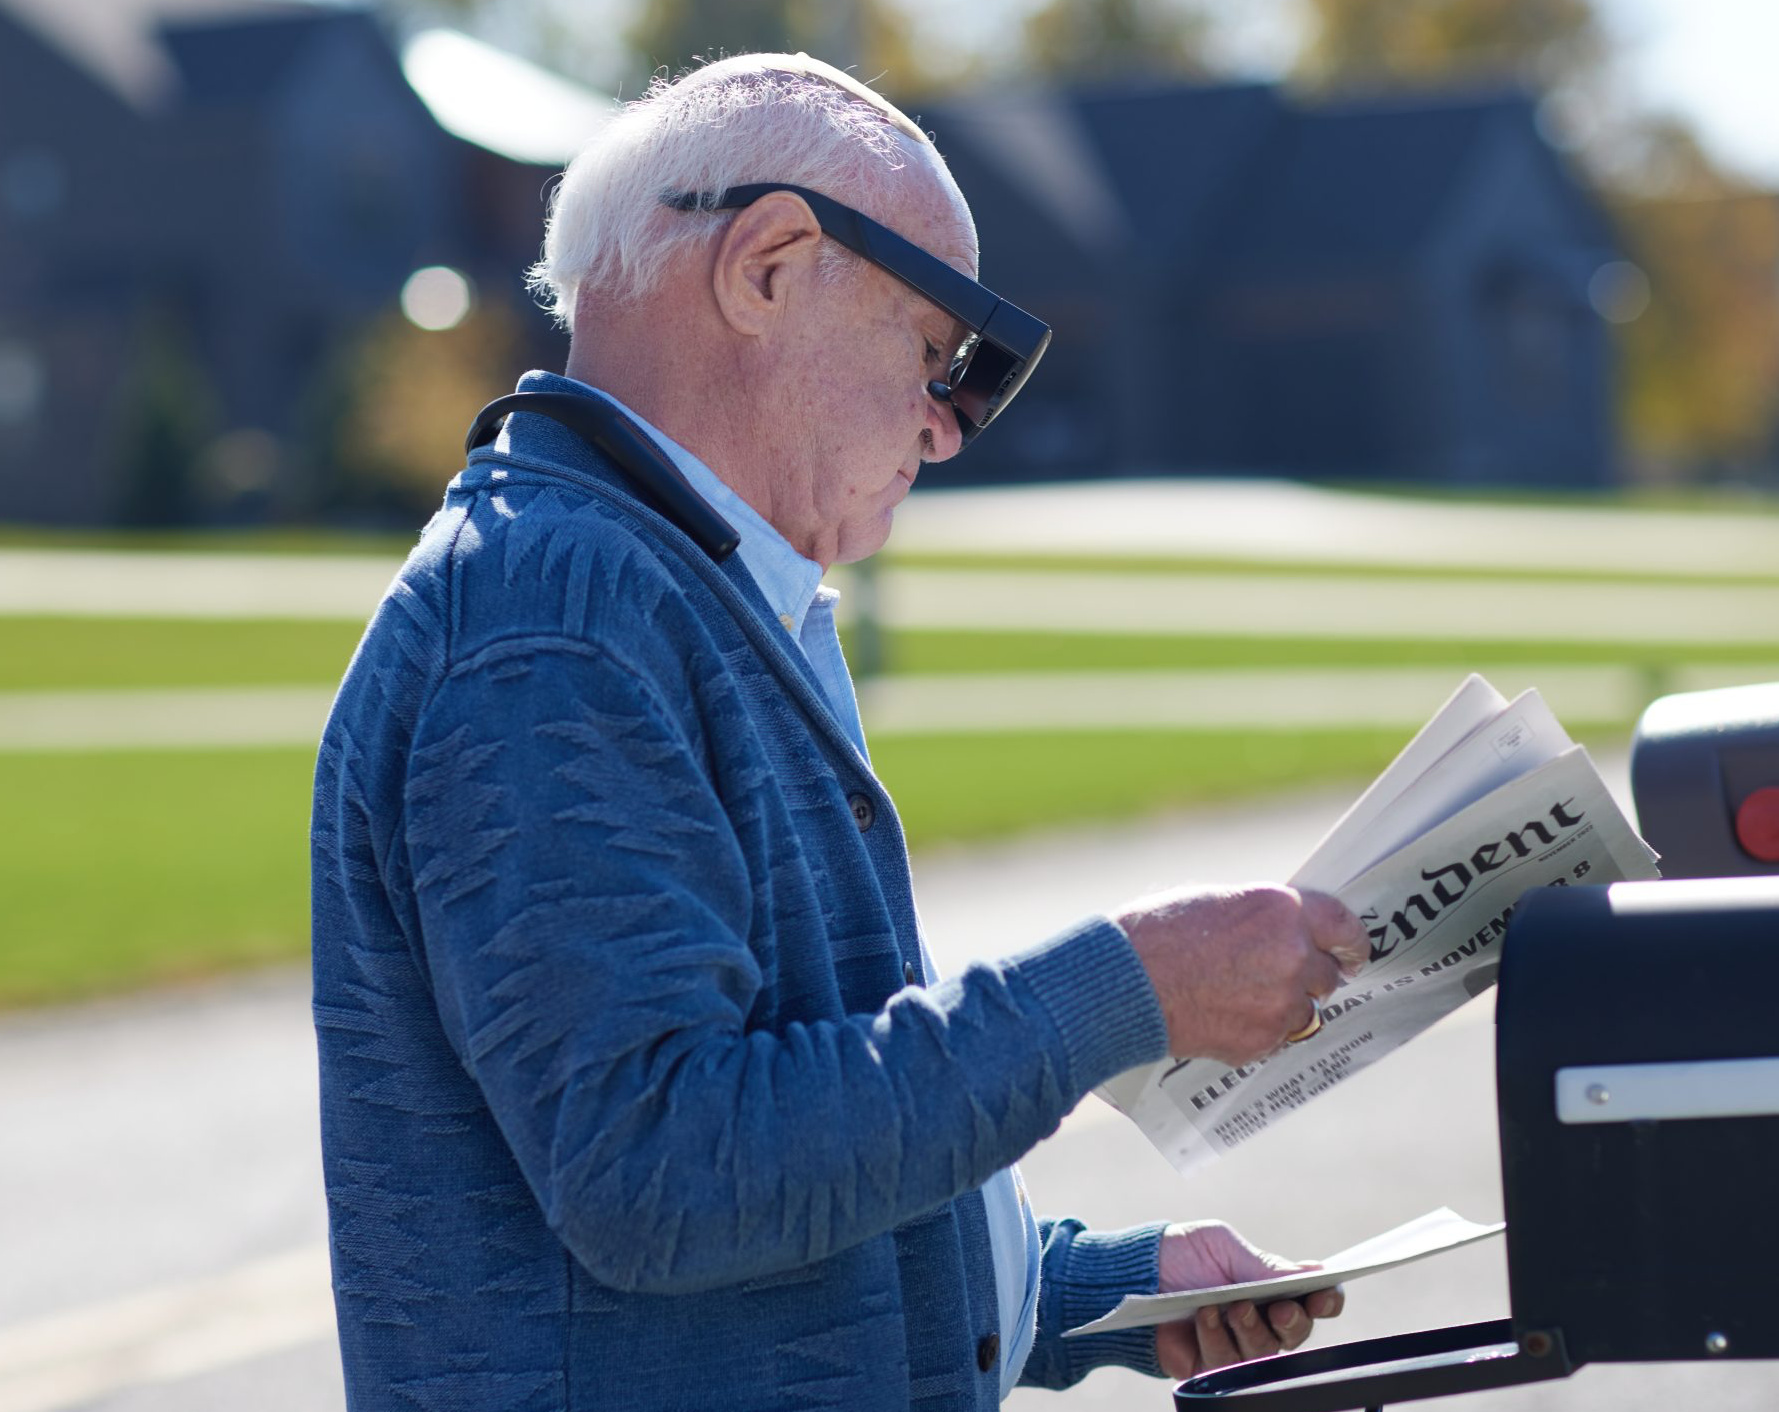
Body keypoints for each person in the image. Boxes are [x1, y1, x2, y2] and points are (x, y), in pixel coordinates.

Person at [311, 53, 1367, 1412]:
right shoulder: (552, 625)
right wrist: (1125, 989)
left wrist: (1072, 1295)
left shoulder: (658, 586)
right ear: (767, 266)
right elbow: (666, 1178)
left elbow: (790, 1139)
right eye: (939, 352)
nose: (948, 425)